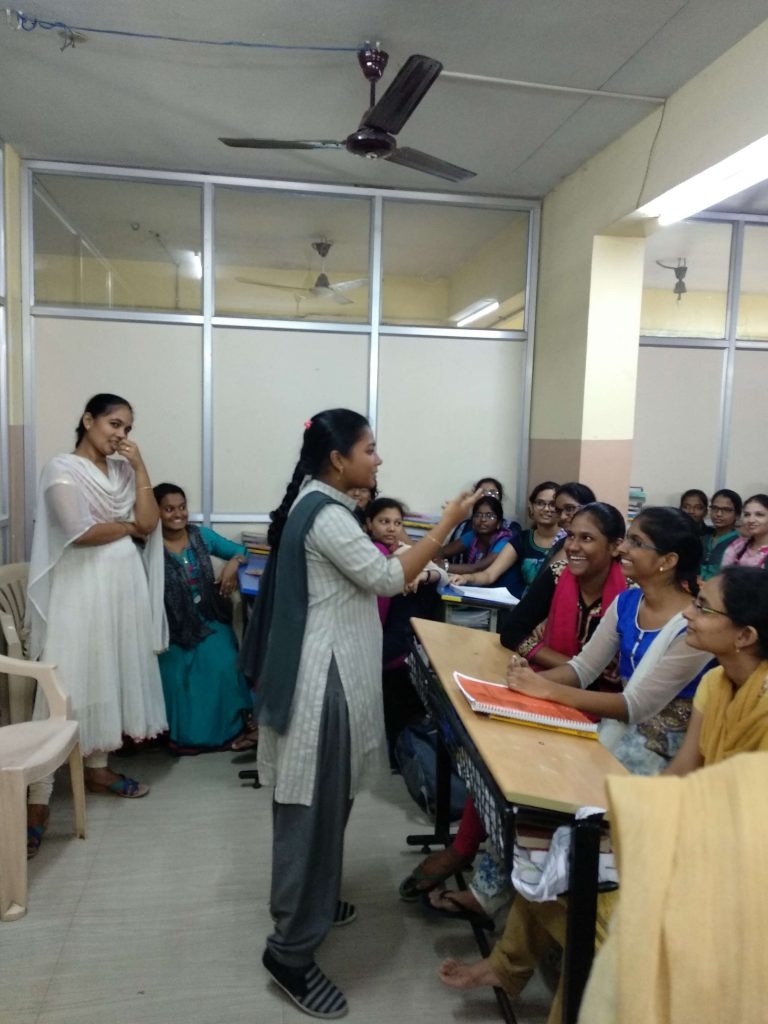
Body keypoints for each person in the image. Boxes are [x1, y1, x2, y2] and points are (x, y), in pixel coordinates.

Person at [239, 408, 481, 1019]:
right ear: (338, 459)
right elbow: (385, 577)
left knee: (327, 806)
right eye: (370, 449)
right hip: (322, 685)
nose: (378, 459)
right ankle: (290, 952)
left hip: (333, 675)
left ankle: (312, 902)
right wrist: (445, 524)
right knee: (311, 812)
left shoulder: (321, 504)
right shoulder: (327, 516)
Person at [436, 510, 719, 1023]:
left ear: (667, 561)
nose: (623, 549)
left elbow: (637, 703)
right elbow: (584, 668)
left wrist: (546, 690)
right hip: (619, 738)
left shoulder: (693, 627)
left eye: (635, 542)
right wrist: (524, 684)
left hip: (660, 752)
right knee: (546, 828)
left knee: (566, 837)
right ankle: (511, 959)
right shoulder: (629, 602)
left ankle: (541, 963)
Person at [402, 502, 627, 905]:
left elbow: (625, 682)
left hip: (606, 709)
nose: (573, 546)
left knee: (529, 777)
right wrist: (569, 667)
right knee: (495, 752)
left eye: (587, 538)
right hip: (555, 687)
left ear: (615, 546)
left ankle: (490, 880)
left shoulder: (628, 595)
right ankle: (467, 850)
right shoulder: (558, 574)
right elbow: (514, 632)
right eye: (571, 536)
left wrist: (570, 672)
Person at [577, 566, 768, 1024]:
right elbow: (684, 769)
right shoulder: (715, 682)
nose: (688, 614)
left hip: (744, 863)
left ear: (744, 636)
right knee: (574, 858)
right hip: (707, 834)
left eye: (703, 608)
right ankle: (508, 967)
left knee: (619, 917)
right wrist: (630, 821)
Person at [25, 394, 167, 858]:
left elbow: (149, 521)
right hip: (80, 592)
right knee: (68, 683)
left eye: (127, 428)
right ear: (88, 420)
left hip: (121, 592)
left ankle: (98, 769)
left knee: (107, 675)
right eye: (114, 423)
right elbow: (79, 531)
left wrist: (140, 467)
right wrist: (127, 527)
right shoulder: (61, 468)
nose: (120, 434)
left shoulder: (124, 472)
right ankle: (38, 797)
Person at [153, 483, 255, 755]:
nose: (178, 514)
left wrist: (233, 563)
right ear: (155, 512)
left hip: (208, 618)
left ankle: (228, 731)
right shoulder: (147, 546)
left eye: (182, 507)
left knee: (224, 663)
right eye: (169, 509)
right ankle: (186, 738)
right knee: (176, 674)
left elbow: (244, 552)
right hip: (170, 626)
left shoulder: (201, 536)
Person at [364, 496, 446, 765]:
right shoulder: (371, 553)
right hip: (383, 642)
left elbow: (441, 573)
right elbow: (377, 608)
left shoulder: (401, 550)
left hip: (398, 643)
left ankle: (399, 755)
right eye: (384, 521)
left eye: (397, 523)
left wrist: (423, 575)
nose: (391, 528)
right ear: (369, 523)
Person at [451, 481, 560, 597]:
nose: (546, 509)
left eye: (552, 504)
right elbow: (489, 575)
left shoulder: (568, 541)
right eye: (540, 503)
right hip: (528, 603)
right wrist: (466, 578)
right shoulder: (522, 539)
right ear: (532, 507)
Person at [435, 495, 516, 583]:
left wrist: (443, 566)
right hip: (472, 583)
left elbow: (477, 568)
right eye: (478, 515)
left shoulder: (504, 541)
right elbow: (443, 551)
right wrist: (433, 559)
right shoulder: (474, 535)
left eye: (490, 516)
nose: (483, 519)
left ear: (499, 523)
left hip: (497, 586)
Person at [699, 488, 742, 580]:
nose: (718, 514)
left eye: (726, 509)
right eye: (714, 508)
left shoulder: (740, 542)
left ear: (737, 514)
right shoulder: (704, 537)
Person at [721, 492, 768, 568]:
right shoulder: (738, 546)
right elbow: (724, 573)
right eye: (747, 515)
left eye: (759, 515)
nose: (751, 520)